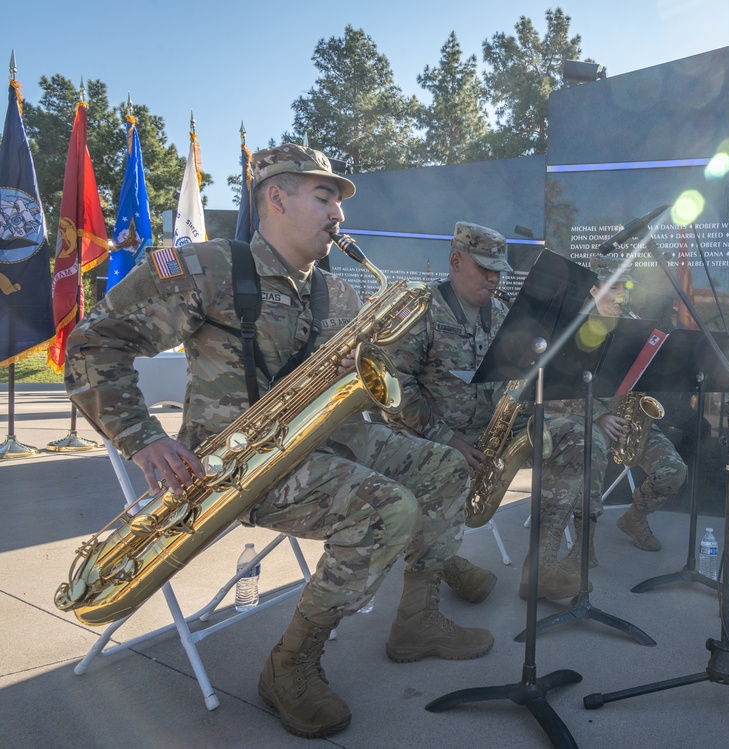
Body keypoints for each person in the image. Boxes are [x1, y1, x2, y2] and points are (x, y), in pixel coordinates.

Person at [64, 144, 493, 739]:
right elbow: (93, 343)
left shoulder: (339, 293)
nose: (339, 214)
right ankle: (291, 663)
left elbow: (357, 382)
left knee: (445, 467)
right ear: (276, 197)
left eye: (339, 201)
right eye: (324, 197)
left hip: (328, 442)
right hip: (237, 466)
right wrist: (142, 439)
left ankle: (417, 621)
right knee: (388, 509)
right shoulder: (204, 266)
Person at [384, 221, 590, 601]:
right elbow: (394, 389)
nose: (494, 279)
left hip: (494, 427)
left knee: (573, 436)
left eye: (498, 271)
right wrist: (448, 439)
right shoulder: (420, 310)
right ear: (455, 262)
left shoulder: (502, 312)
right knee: (436, 467)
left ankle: (541, 565)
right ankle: (445, 566)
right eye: (484, 269)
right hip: (435, 438)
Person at [557, 255, 688, 570]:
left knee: (674, 471)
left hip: (630, 417)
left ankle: (635, 518)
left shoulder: (638, 326)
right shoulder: (572, 329)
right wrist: (598, 415)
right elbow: (555, 391)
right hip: (585, 419)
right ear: (593, 290)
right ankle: (583, 545)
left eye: (625, 288)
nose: (621, 295)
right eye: (612, 287)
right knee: (589, 459)